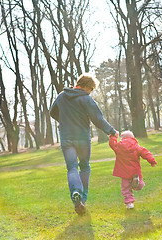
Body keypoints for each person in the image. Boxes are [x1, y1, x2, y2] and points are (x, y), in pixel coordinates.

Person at [50, 73, 118, 215]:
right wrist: (112, 131)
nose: (91, 92)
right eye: (91, 89)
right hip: (82, 138)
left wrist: (65, 120)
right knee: (85, 167)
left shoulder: (62, 96)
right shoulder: (86, 99)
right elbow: (98, 119)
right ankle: (82, 199)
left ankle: (76, 192)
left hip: (66, 138)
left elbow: (52, 112)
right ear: (87, 86)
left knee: (72, 168)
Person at [109, 130, 157, 209]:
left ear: (122, 138)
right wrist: (152, 161)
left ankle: (129, 203)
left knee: (125, 188)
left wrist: (113, 137)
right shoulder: (136, 146)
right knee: (139, 185)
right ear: (132, 137)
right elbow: (145, 152)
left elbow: (112, 144)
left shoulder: (119, 146)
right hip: (135, 172)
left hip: (124, 173)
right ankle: (137, 184)